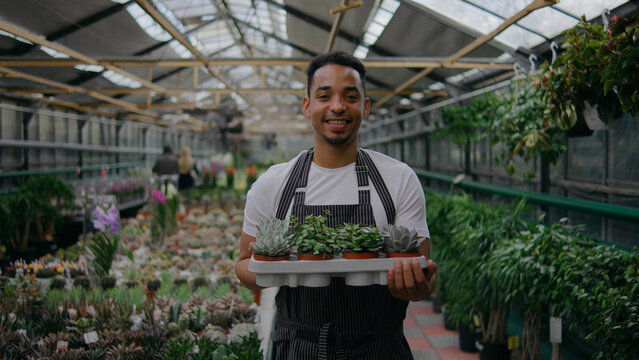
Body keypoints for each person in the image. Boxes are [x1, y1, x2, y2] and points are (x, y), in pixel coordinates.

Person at [235, 51, 437, 360]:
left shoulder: (398, 179)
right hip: (299, 348)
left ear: (365, 106)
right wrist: (278, 271)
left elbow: (422, 276)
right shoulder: (273, 183)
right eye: (324, 96)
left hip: (380, 347)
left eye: (350, 96)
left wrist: (415, 287)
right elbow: (243, 264)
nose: (338, 106)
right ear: (307, 106)